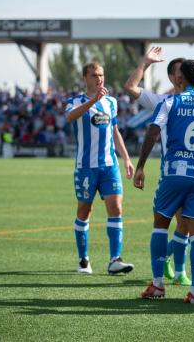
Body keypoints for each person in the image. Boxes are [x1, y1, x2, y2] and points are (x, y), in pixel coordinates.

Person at [135, 60, 194, 303]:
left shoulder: (170, 102)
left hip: (174, 173)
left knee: (160, 224)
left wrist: (141, 166)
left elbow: (154, 132)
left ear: (181, 80)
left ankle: (157, 285)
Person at [123, 46, 192, 286]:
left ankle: (173, 262)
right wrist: (145, 62)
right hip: (171, 173)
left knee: (188, 224)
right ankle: (174, 266)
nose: (183, 75)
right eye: (179, 72)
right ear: (172, 77)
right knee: (178, 223)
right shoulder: (163, 101)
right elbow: (130, 88)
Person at [65, 62, 135, 275]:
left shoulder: (111, 102)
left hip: (109, 165)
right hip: (86, 167)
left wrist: (126, 159)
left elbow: (115, 131)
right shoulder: (75, 101)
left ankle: (115, 260)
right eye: (94, 75)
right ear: (85, 78)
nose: (99, 79)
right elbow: (70, 117)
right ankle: (83, 260)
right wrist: (92, 101)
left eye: (101, 75)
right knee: (84, 211)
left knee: (116, 209)